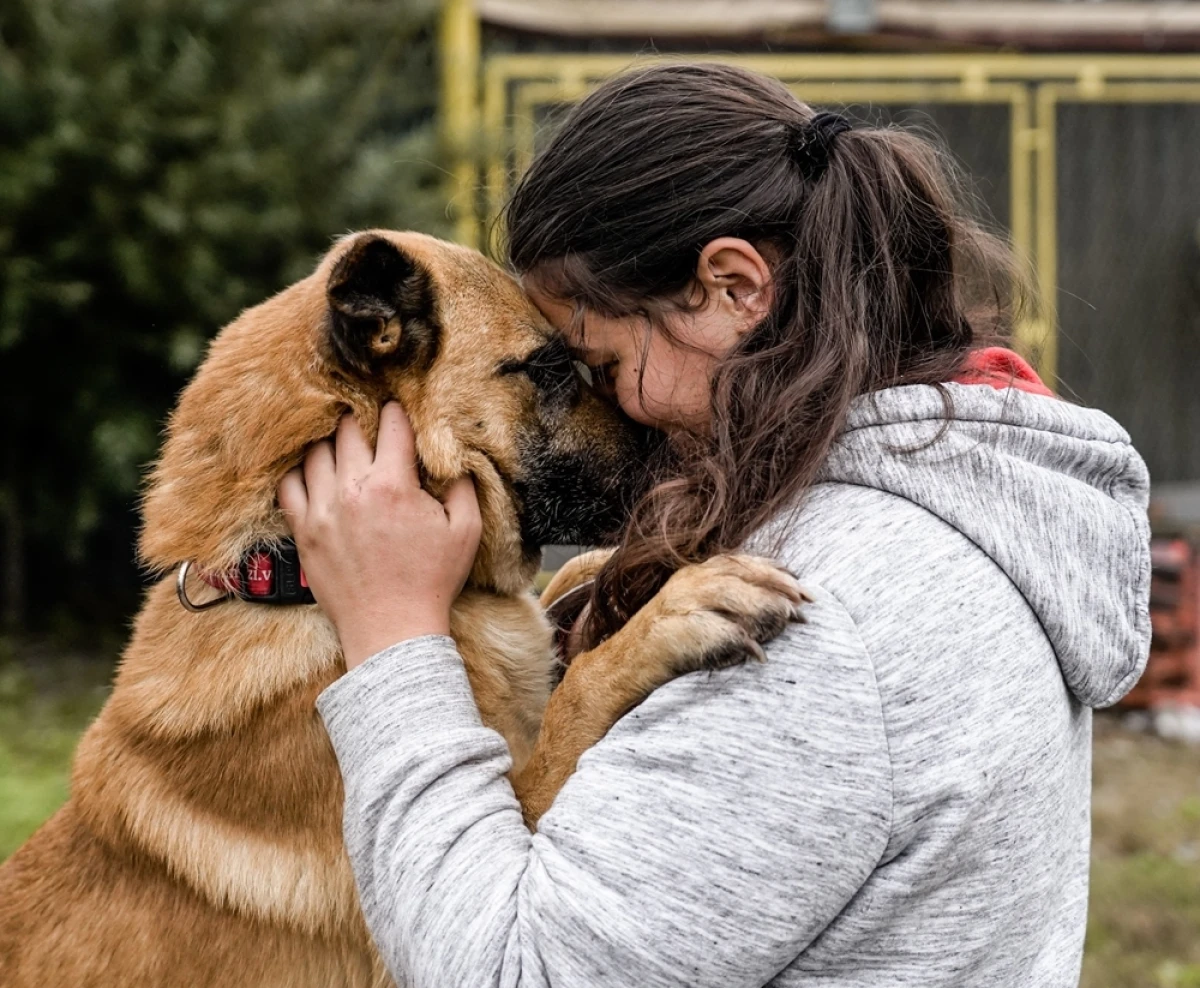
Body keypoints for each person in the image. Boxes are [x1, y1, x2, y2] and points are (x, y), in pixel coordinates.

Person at [278, 63, 1150, 987]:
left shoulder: (825, 629)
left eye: (604, 367)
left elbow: (509, 968)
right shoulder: (952, 511)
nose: (611, 419)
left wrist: (392, 639)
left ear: (736, 286)